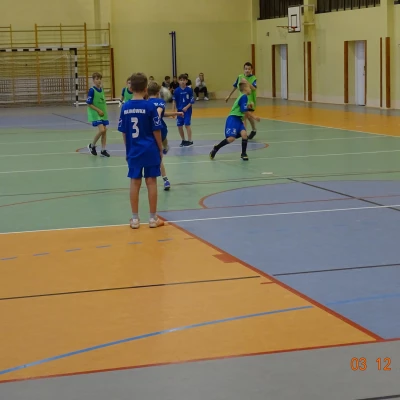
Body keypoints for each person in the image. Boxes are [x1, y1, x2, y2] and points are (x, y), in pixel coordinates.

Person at [118, 72, 164, 229]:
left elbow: (124, 132)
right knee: (151, 181)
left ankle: (135, 219)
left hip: (134, 150)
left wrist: (128, 149)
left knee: (134, 182)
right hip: (150, 149)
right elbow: (156, 130)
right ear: (146, 89)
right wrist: (160, 148)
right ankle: (152, 218)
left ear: (130, 88)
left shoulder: (125, 107)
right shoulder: (149, 106)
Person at [210, 79, 260, 161]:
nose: (250, 89)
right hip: (233, 119)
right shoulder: (243, 97)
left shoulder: (244, 97)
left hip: (238, 119)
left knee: (244, 134)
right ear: (245, 89)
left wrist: (248, 107)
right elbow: (244, 111)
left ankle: (243, 153)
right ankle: (216, 148)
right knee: (231, 139)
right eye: (249, 87)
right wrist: (254, 117)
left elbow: (242, 108)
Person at [147, 81, 183, 190]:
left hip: (150, 131)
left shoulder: (146, 103)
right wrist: (176, 113)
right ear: (158, 92)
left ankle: (165, 179)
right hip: (159, 129)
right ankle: (166, 179)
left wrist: (175, 113)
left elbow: (160, 114)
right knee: (159, 153)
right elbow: (159, 113)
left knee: (158, 156)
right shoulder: (160, 102)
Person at [225, 62, 258, 140]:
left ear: (251, 70)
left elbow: (254, 88)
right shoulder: (240, 77)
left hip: (250, 100)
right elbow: (235, 86)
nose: (247, 70)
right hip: (242, 100)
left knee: (247, 116)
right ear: (244, 69)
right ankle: (246, 132)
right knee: (245, 116)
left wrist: (247, 82)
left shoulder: (253, 78)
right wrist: (229, 95)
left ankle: (252, 130)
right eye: (246, 69)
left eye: (249, 69)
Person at [87, 72, 110, 157]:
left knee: (104, 131)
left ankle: (103, 150)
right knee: (102, 130)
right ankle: (92, 145)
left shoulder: (101, 89)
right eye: (97, 79)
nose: (99, 80)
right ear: (93, 80)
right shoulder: (92, 90)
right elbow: (89, 103)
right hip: (96, 113)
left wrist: (103, 111)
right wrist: (98, 110)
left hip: (103, 113)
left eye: (100, 79)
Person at [172, 74, 195, 147]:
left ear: (186, 81)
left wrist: (186, 107)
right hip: (179, 111)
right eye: (181, 80)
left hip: (187, 111)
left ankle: (190, 140)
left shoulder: (189, 90)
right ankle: (183, 140)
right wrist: (173, 111)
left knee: (187, 124)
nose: (182, 82)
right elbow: (174, 101)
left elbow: (192, 100)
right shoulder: (176, 91)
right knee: (179, 126)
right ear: (178, 81)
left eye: (184, 80)